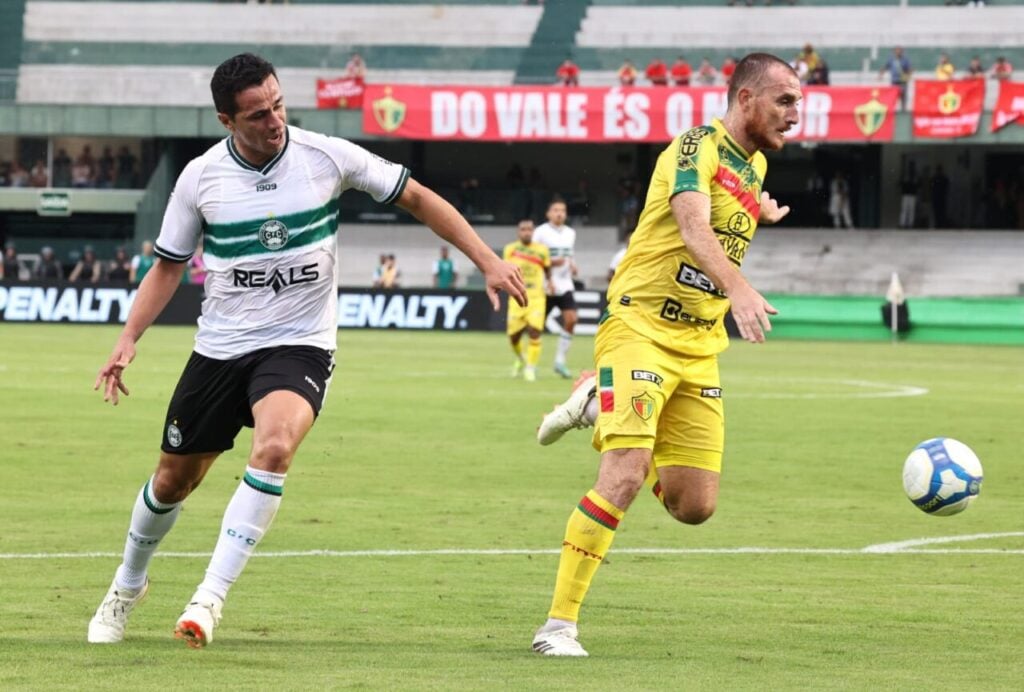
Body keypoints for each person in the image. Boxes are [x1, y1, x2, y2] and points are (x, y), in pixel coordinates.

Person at [86, 52, 526, 649]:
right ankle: (127, 584)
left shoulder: (325, 156)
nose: (274, 121)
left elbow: (417, 197)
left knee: (274, 446)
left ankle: (208, 599)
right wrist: (128, 338)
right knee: (172, 483)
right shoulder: (200, 178)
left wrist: (487, 259)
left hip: (300, 344)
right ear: (226, 120)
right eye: (257, 114)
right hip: (220, 348)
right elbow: (168, 267)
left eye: (278, 104)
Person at [529, 52, 799, 657]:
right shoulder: (693, 146)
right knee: (623, 474)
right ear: (747, 99)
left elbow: (731, 210)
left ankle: (599, 401)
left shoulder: (752, 164)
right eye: (784, 101)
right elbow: (693, 224)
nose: (795, 115)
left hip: (699, 347)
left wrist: (762, 209)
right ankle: (558, 627)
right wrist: (741, 289)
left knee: (694, 506)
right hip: (640, 328)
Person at [533, 198, 577, 379]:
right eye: (556, 210)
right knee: (536, 327)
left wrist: (573, 264)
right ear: (548, 213)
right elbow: (533, 258)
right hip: (545, 285)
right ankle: (531, 363)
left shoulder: (570, 233)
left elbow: (568, 255)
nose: (560, 213)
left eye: (563, 210)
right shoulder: (540, 232)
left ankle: (560, 361)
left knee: (572, 320)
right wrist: (550, 264)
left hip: (565, 284)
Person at [504, 219, 551, 382]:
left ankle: (530, 368)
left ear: (533, 231)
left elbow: (547, 269)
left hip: (536, 297)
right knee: (513, 337)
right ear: (518, 232)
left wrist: (550, 283)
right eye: (523, 229)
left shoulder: (542, 250)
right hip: (516, 296)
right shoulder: (510, 249)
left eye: (529, 229)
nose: (526, 232)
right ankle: (520, 359)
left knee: (534, 331)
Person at [899, 164, 919, 228]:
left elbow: (918, 185)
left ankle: (907, 224)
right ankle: (904, 224)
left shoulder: (914, 175)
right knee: (906, 210)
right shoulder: (906, 175)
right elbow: (901, 183)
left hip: (910, 195)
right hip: (907, 195)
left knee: (909, 210)